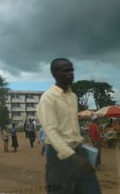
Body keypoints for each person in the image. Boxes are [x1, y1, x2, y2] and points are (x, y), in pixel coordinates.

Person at [37, 58, 101, 194]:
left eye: (72, 70)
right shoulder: (48, 98)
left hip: (79, 153)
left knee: (92, 190)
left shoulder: (73, 96)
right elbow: (51, 132)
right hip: (59, 156)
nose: (71, 73)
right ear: (54, 74)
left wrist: (81, 154)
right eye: (66, 70)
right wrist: (72, 157)